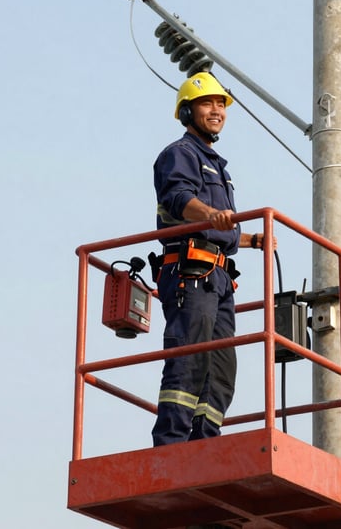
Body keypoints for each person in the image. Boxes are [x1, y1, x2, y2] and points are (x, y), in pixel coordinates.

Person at [150, 71, 270, 447]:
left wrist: (251, 239)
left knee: (221, 367)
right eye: (207, 103)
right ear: (187, 112)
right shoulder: (179, 154)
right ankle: (171, 444)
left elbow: (221, 227)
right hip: (190, 272)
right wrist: (206, 213)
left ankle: (205, 443)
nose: (216, 110)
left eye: (221, 104)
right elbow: (179, 201)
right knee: (190, 357)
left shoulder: (218, 165)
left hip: (217, 277)